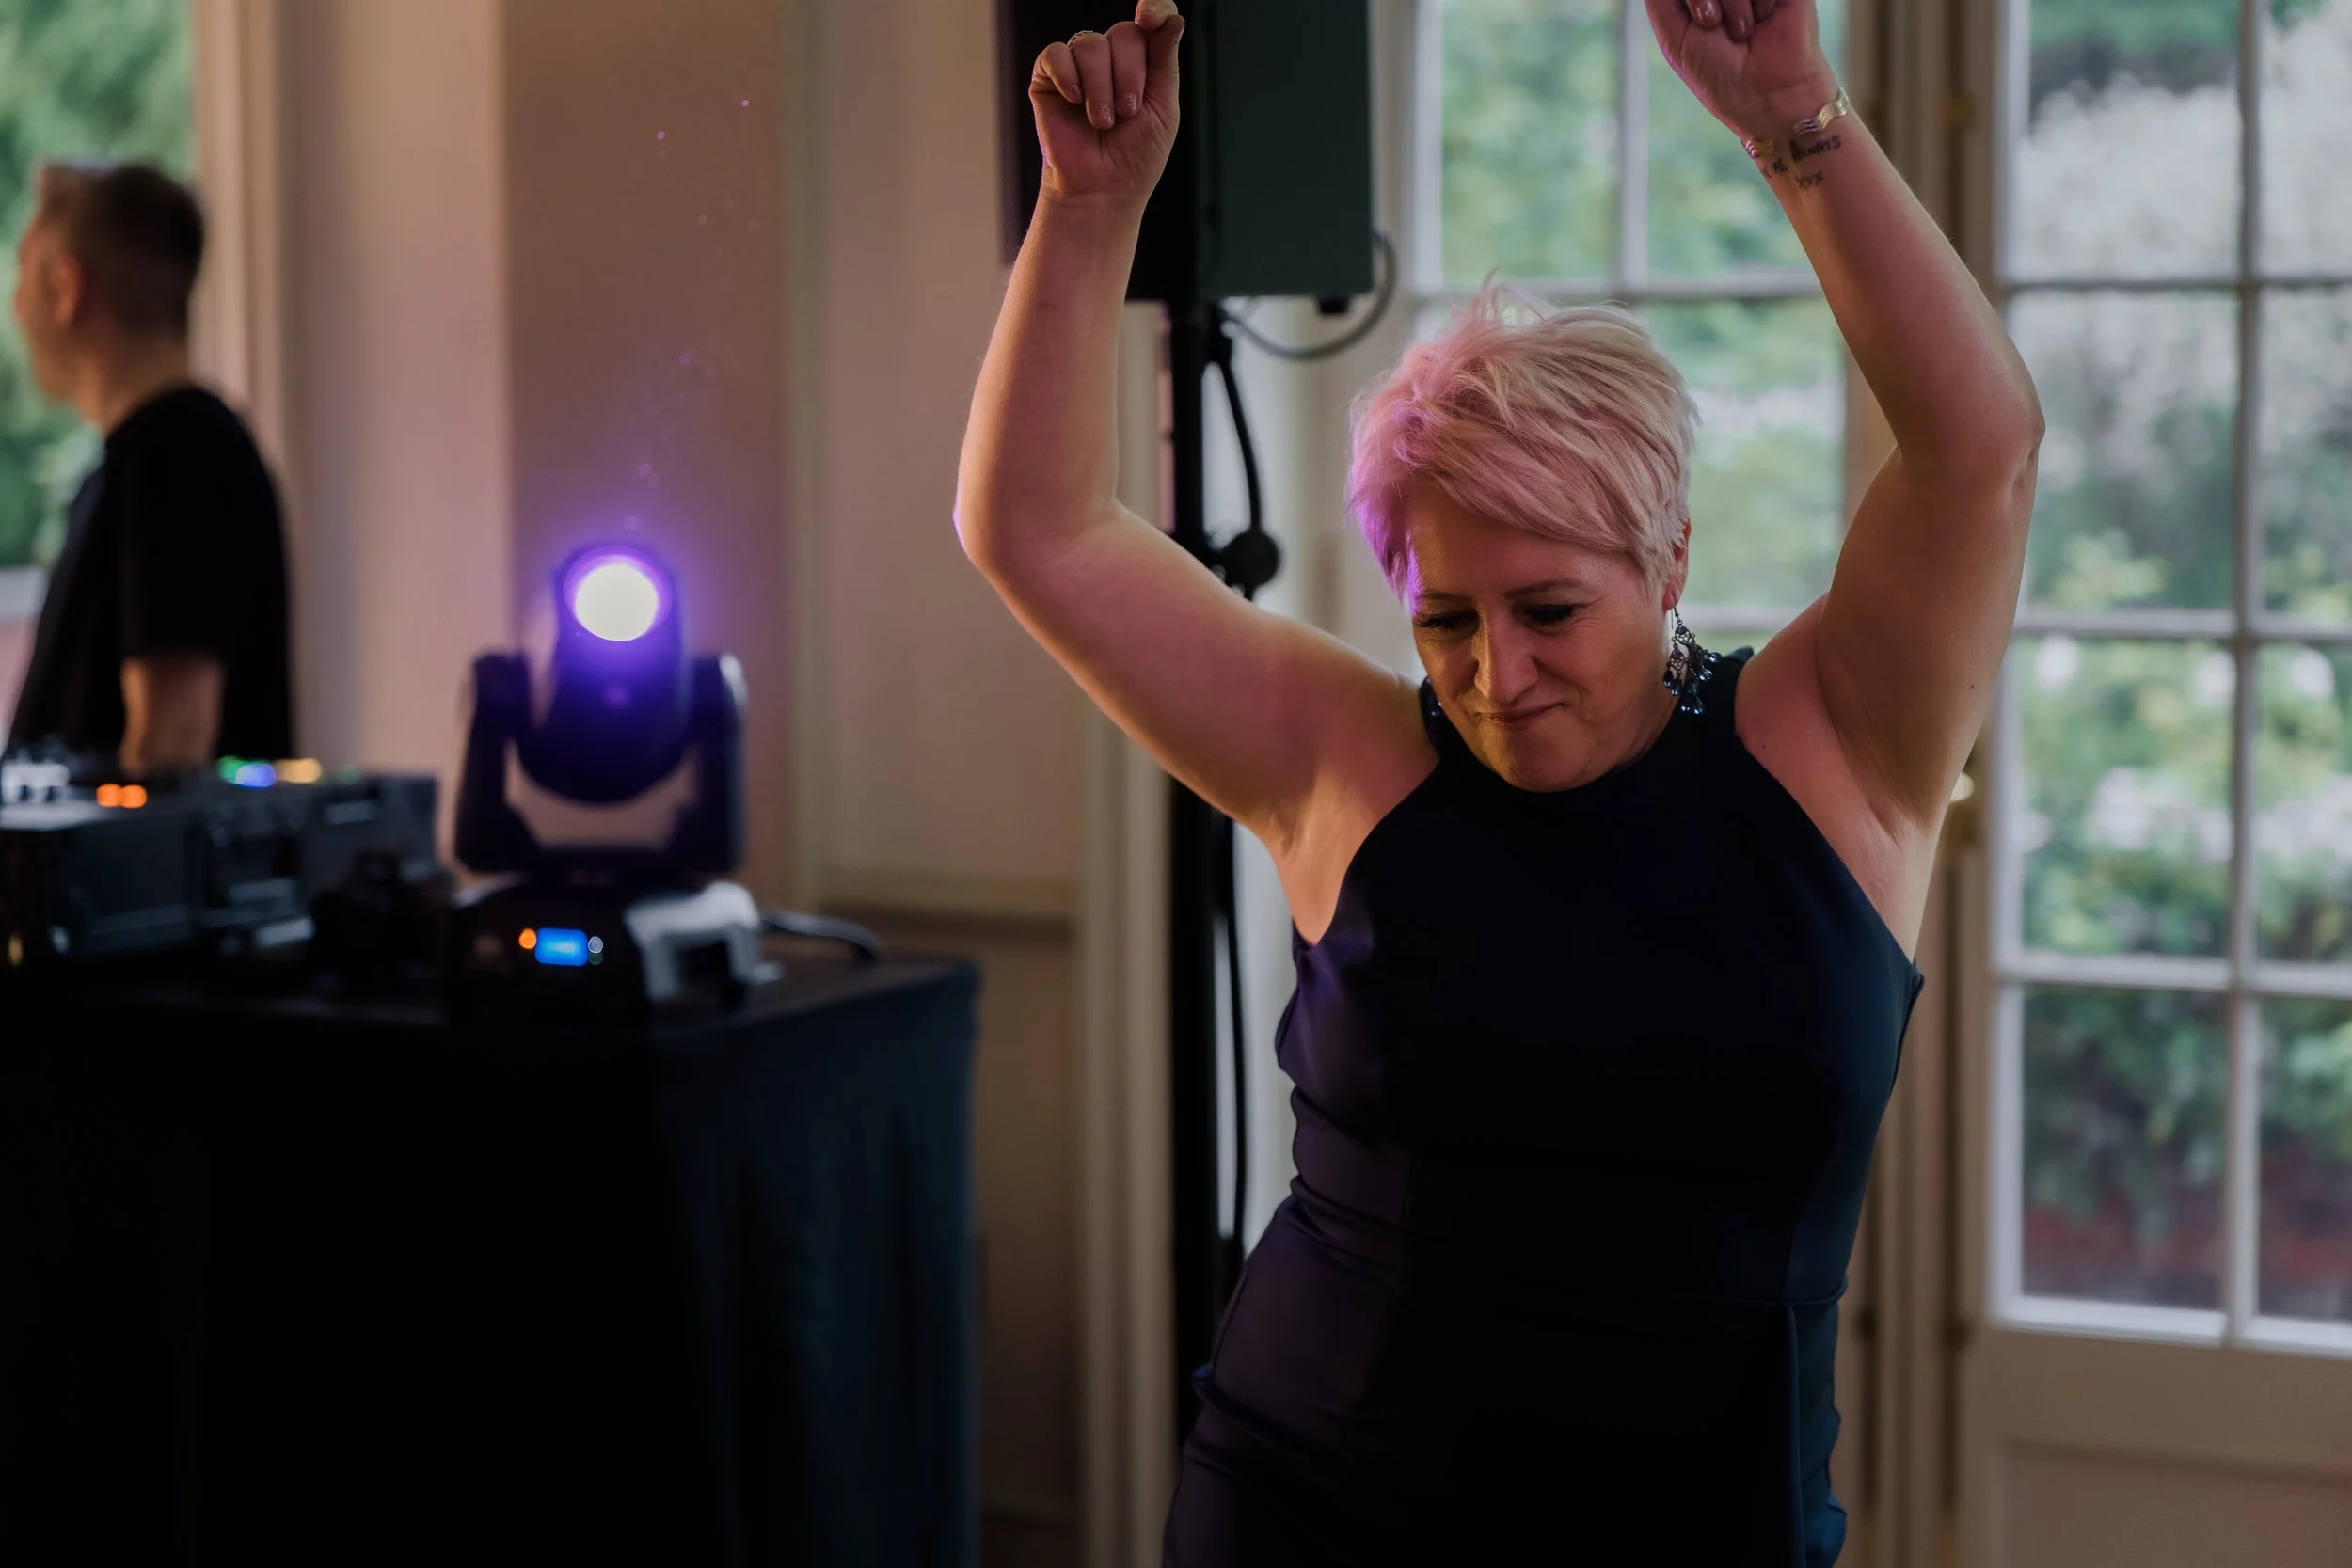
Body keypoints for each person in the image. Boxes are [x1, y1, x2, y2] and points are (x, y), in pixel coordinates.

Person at [958, 0, 2040, 1560]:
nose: (1495, 674)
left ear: (1669, 562)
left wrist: (1794, 116)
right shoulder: (1349, 761)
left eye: (1550, 611)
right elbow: (1038, 530)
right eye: (1445, 618)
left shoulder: (1835, 744)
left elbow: (1978, 449)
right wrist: (1087, 204)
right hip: (1312, 1509)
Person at [8, 159, 291, 774]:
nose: (14, 306)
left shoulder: (180, 453)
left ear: (67, 289)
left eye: (23, 277)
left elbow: (173, 738)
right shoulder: (152, 460)